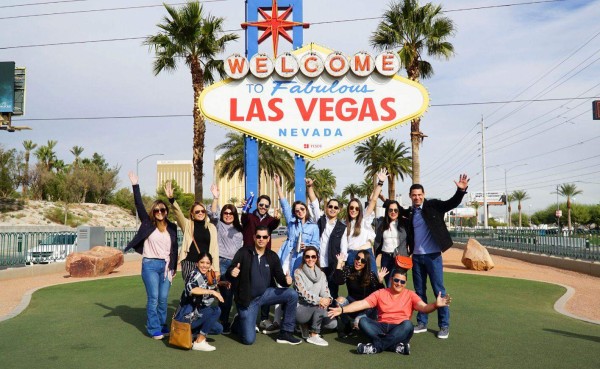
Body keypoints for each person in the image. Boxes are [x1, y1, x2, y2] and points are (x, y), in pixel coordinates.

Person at [327, 269, 452, 355]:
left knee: (408, 325)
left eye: (402, 282)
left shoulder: (410, 295)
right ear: (391, 279)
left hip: (399, 328)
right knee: (362, 321)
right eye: (396, 280)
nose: (399, 283)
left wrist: (436, 305)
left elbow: (424, 308)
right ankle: (395, 346)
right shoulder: (381, 293)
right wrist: (342, 309)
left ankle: (375, 347)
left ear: (405, 283)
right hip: (381, 327)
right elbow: (362, 303)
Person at [408, 174, 469, 340]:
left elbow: (451, 203)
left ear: (424, 194)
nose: (417, 197)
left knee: (439, 291)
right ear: (410, 197)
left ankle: (444, 325)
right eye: (414, 195)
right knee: (419, 292)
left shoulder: (433, 205)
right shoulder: (410, 213)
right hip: (417, 257)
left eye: (419, 194)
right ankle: (422, 322)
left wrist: (460, 191)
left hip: (433, 256)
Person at [227, 226, 302, 346]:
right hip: (248, 300)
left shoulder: (272, 256)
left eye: (264, 237)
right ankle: (238, 322)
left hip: (265, 295)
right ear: (254, 238)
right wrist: (232, 272)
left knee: (292, 294)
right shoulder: (243, 252)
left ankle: (286, 333)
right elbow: (230, 270)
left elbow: (280, 278)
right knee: (249, 340)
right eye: (258, 236)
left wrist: (286, 281)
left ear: (268, 239)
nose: (261, 239)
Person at [124, 171, 178, 340]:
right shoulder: (148, 224)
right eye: (157, 210)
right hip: (150, 265)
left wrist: (173, 267)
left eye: (162, 210)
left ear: (166, 211)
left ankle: (162, 324)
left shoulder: (172, 227)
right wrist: (135, 186)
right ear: (153, 212)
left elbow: (174, 249)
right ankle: (153, 328)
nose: (160, 212)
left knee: (163, 299)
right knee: (153, 298)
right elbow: (139, 205)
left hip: (166, 266)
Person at [165, 181, 219, 282]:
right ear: (192, 214)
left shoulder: (211, 227)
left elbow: (215, 250)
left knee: (205, 292)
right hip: (189, 263)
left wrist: (216, 269)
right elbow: (178, 214)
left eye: (202, 211)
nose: (200, 213)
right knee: (191, 290)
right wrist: (171, 199)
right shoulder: (188, 225)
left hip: (206, 264)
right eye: (197, 212)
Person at [207, 184, 243, 334]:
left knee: (235, 294)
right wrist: (216, 197)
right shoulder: (218, 225)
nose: (228, 215)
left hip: (236, 265)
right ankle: (223, 321)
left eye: (231, 213)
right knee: (226, 294)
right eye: (226, 213)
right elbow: (212, 213)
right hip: (221, 262)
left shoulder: (239, 229)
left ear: (235, 215)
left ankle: (229, 319)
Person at [175, 251, 226, 351]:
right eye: (202, 262)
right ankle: (199, 341)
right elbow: (191, 289)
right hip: (185, 317)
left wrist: (221, 284)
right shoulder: (195, 274)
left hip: (195, 315)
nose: (204, 265)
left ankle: (190, 334)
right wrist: (212, 292)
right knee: (215, 310)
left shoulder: (206, 275)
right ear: (197, 263)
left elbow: (207, 286)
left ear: (210, 265)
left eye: (207, 263)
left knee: (218, 329)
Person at [306, 178, 347, 299]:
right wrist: (310, 187)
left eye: (335, 207)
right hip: (317, 263)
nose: (333, 209)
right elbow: (314, 203)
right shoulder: (321, 219)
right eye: (330, 206)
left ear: (339, 210)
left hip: (332, 265)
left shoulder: (342, 227)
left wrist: (342, 262)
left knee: (332, 292)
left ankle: (331, 316)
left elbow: (344, 247)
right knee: (316, 291)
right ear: (326, 208)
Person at [274, 173, 320, 277]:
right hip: (287, 254)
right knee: (282, 281)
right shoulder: (291, 220)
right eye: (297, 210)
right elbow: (284, 204)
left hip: (302, 257)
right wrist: (278, 186)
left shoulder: (313, 227)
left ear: (306, 209)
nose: (300, 211)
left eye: (302, 209)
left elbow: (316, 245)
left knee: (299, 282)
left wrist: (307, 246)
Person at [332, 250, 387, 337]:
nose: (359, 261)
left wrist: (380, 281)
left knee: (358, 323)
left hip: (366, 308)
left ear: (366, 263)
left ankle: (361, 322)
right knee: (340, 301)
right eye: (357, 258)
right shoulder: (349, 270)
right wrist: (339, 264)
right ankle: (347, 326)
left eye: (363, 261)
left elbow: (381, 294)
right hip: (352, 304)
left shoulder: (371, 275)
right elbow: (338, 281)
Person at [346, 169, 388, 272]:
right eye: (351, 208)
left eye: (356, 208)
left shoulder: (364, 218)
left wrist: (380, 182)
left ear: (360, 209)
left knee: (372, 284)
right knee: (353, 286)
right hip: (351, 256)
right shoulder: (344, 224)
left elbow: (373, 200)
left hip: (366, 254)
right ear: (348, 209)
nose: (354, 210)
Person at [293, 246, 337, 346]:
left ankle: (308, 325)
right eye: (307, 256)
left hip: (317, 307)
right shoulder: (298, 272)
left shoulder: (322, 274)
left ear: (317, 258)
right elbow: (303, 293)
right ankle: (314, 335)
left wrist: (328, 299)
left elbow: (325, 291)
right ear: (304, 258)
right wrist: (320, 300)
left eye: (313, 256)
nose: (310, 259)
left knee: (333, 324)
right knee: (319, 306)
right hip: (302, 308)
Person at [374, 197, 409, 286]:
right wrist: (376, 196)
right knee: (387, 283)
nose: (393, 212)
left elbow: (410, 212)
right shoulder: (381, 222)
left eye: (395, 210)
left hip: (399, 258)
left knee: (395, 284)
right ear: (387, 211)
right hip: (386, 258)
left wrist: (383, 198)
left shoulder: (405, 223)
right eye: (390, 210)